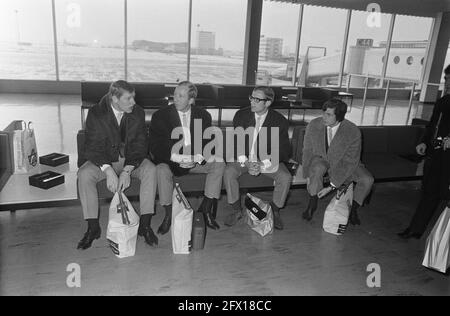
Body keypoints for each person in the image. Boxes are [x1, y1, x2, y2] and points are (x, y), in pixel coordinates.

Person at [77, 80, 158, 250]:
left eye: (133, 98)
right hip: (105, 160)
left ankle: (145, 224)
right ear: (114, 98)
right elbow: (92, 147)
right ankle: (92, 228)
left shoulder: (137, 112)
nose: (133, 102)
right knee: (84, 174)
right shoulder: (96, 113)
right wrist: (108, 170)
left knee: (150, 169)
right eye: (128, 99)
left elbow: (140, 145)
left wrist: (127, 170)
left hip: (129, 160)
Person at [149, 81, 225, 233]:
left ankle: (206, 210)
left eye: (181, 96)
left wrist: (195, 158)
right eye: (175, 94)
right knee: (161, 170)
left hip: (194, 160)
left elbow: (208, 143)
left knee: (219, 162)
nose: (175, 98)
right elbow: (157, 146)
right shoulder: (160, 116)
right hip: (171, 161)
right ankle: (169, 215)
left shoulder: (203, 115)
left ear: (191, 100)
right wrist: (180, 158)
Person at [223, 86, 292, 230]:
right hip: (243, 159)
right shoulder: (241, 115)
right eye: (251, 98)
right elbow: (236, 143)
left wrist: (261, 163)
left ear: (268, 103)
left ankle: (275, 211)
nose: (252, 102)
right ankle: (236, 210)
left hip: (266, 161)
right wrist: (247, 163)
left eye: (257, 99)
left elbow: (283, 150)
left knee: (285, 177)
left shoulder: (279, 121)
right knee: (229, 172)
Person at [302, 98, 374, 224]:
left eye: (328, 114)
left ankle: (353, 210)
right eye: (323, 112)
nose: (323, 117)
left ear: (339, 116)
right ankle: (312, 204)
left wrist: (332, 186)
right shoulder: (313, 125)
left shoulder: (352, 131)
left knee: (367, 180)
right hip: (321, 159)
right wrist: (307, 174)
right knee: (317, 168)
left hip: (344, 162)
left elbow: (350, 162)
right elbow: (307, 150)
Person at [398, 65, 450, 239]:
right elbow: (432, 126)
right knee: (429, 193)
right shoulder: (443, 101)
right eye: (446, 78)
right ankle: (416, 229)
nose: (447, 82)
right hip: (436, 156)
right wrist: (424, 142)